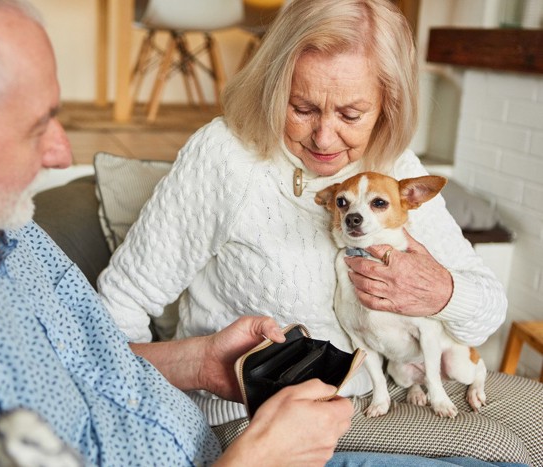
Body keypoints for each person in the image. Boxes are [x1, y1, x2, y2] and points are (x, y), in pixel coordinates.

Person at [0, 1, 405, 466]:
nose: (63, 152)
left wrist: (200, 361)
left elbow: (85, 363)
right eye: (37, 127)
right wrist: (251, 461)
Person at [97, 0, 543, 464]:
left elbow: (487, 311)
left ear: (387, 106)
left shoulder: (392, 169)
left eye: (351, 115)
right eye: (303, 108)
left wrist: (440, 291)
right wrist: (149, 421)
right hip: (253, 416)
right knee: (500, 458)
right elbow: (119, 306)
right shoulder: (224, 158)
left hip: (382, 387)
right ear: (273, 88)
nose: (324, 139)